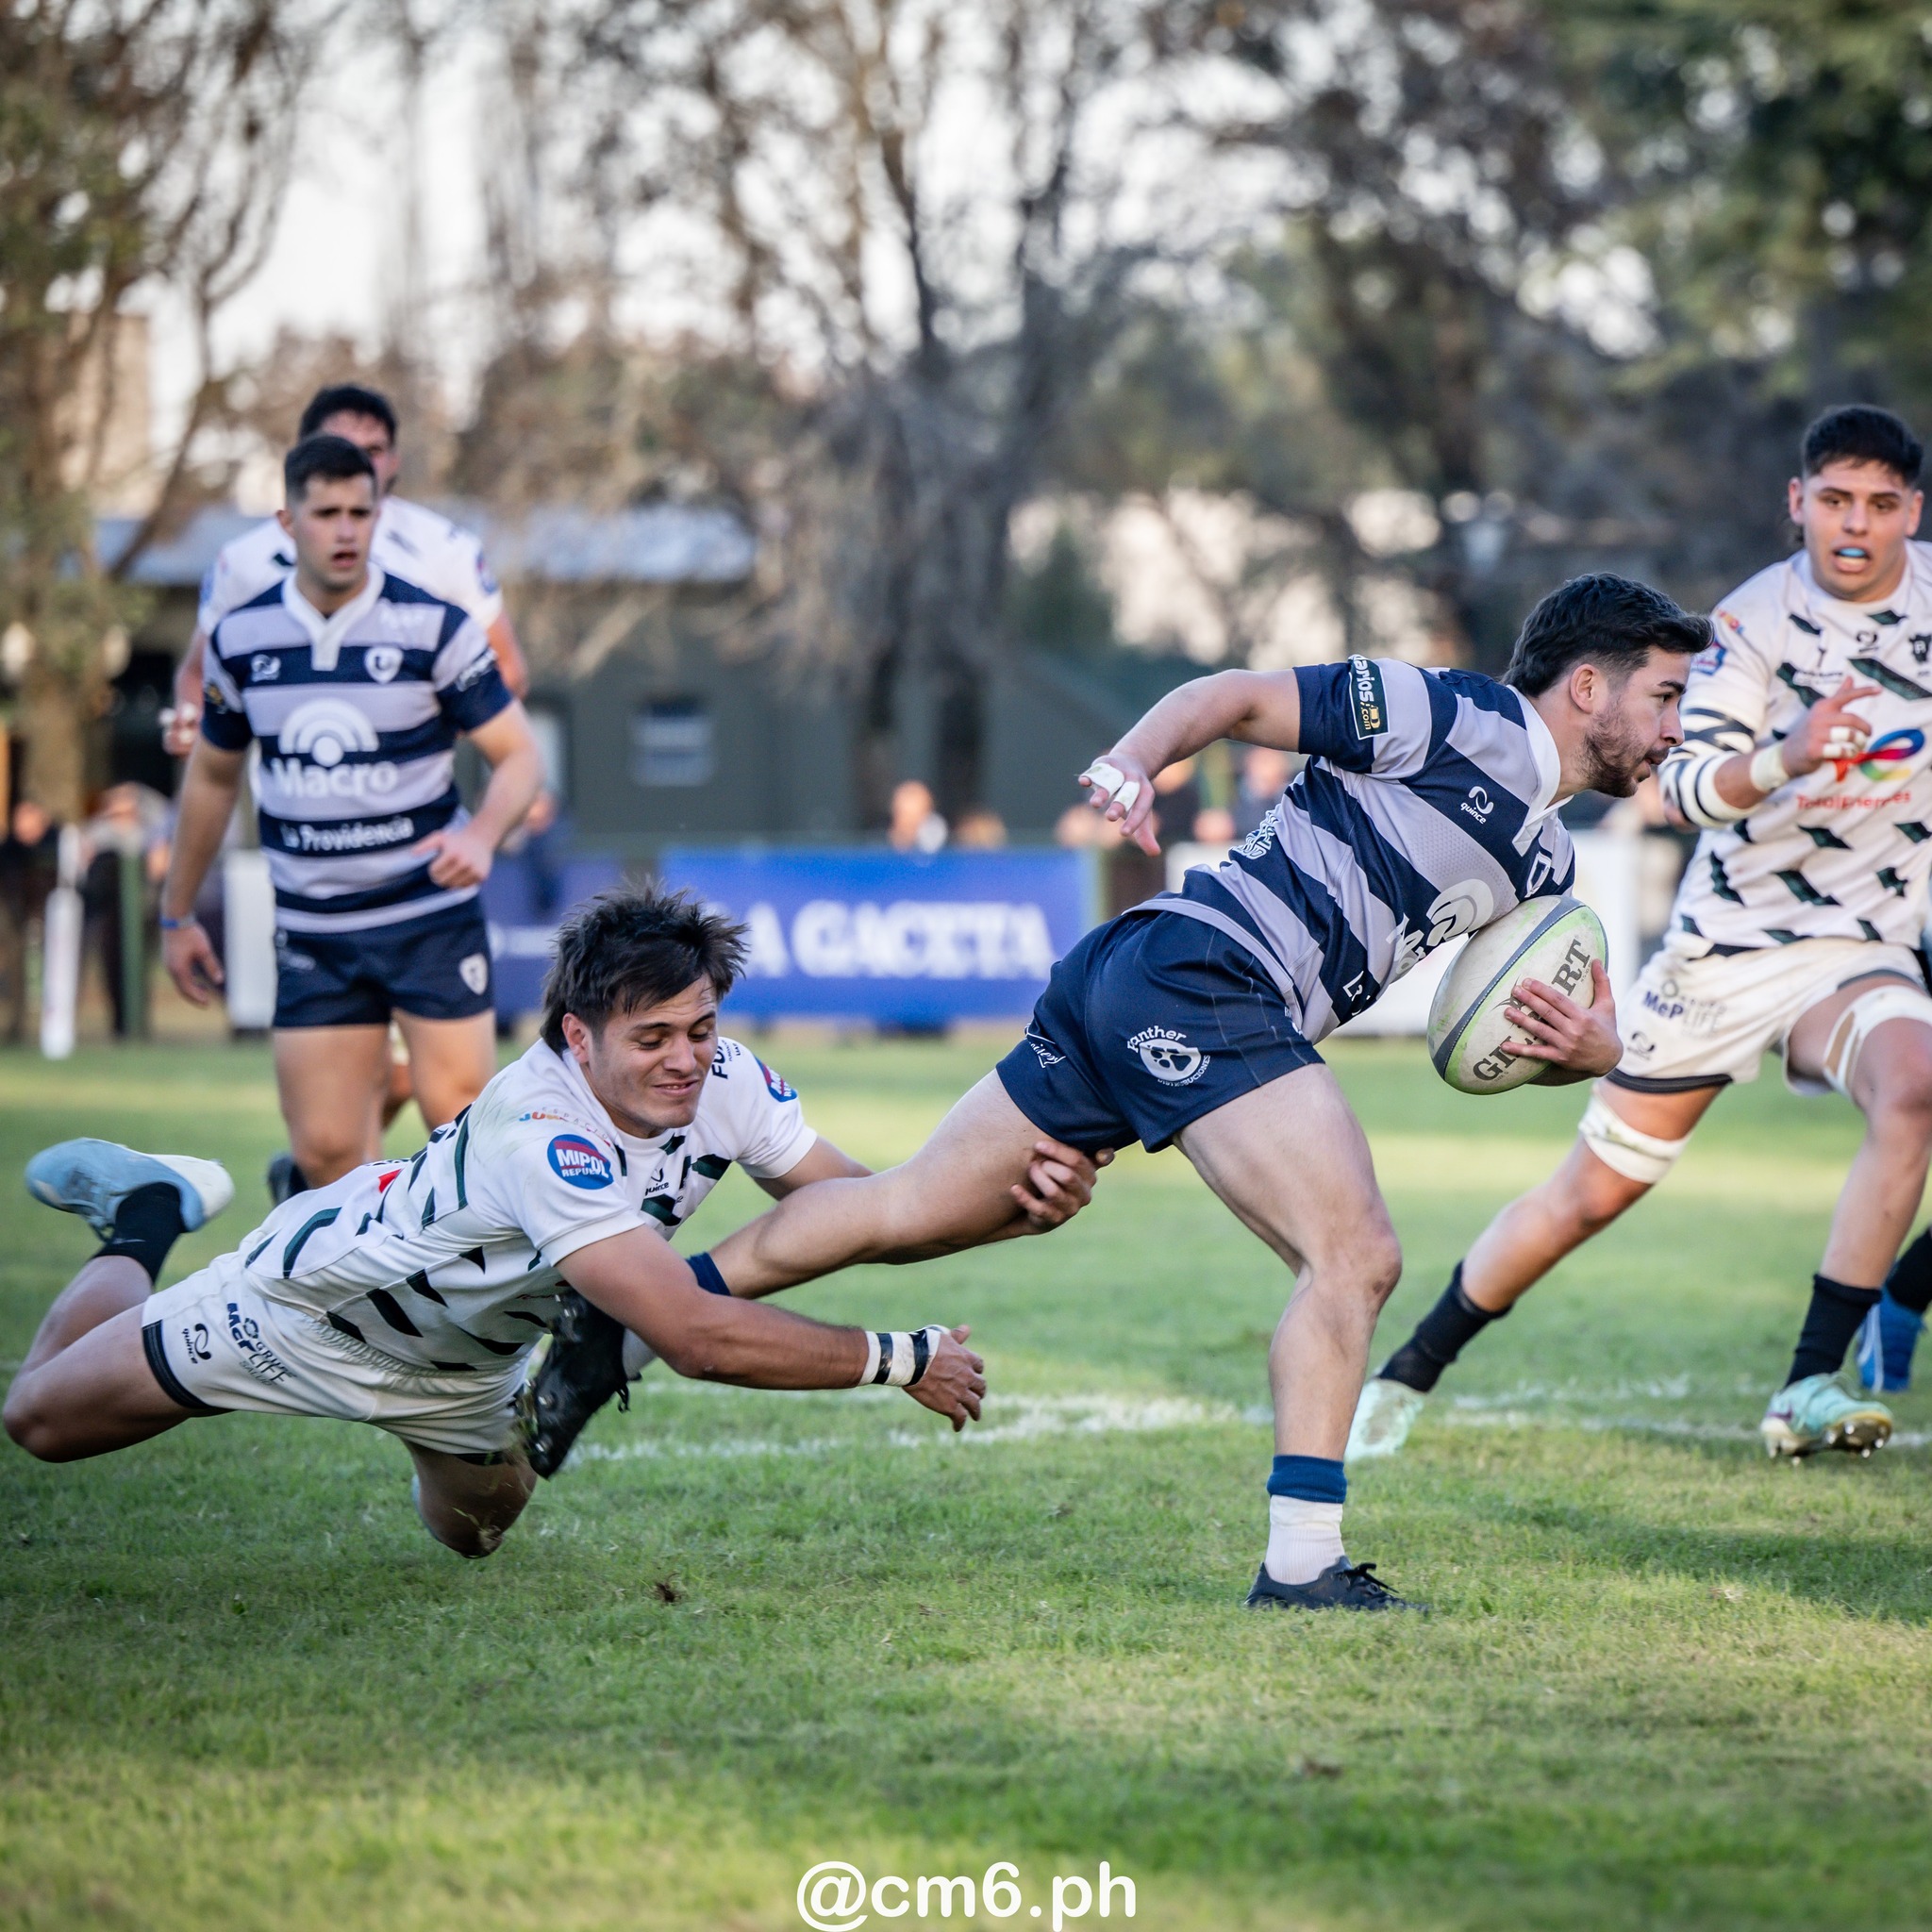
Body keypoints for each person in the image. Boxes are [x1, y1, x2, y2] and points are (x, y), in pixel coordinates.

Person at [529, 573, 1704, 1610]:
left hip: (1149, 972)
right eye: (1662, 697)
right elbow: (1235, 695)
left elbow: (1492, 1038)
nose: (1672, 730)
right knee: (1354, 1256)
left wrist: (1588, 1049)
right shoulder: (1452, 714)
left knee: (907, 1209)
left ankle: (620, 1330)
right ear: (1585, 685)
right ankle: (1302, 1564)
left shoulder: (1545, 864)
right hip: (1208, 973)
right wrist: (1137, 759)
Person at [3, 891, 997, 1557]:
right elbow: (697, 1339)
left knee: (473, 1535)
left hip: (470, 1375)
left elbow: (864, 1206)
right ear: (578, 1037)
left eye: (699, 1029)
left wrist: (1013, 1194)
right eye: (651, 1037)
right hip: (312, 1314)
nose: (686, 1059)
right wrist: (897, 1357)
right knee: (38, 1420)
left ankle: (599, 1326)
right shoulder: (542, 1131)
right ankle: (146, 1216)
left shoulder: (726, 1077)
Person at [1349, 405, 1932, 1464]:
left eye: (1881, 503)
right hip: (1727, 948)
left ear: (1913, 511)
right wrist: (1789, 755)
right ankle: (1410, 1368)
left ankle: (1809, 1380)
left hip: (1864, 948)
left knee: (1914, 1088)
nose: (1856, 523)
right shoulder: (1751, 624)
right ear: (1797, 502)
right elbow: (1689, 788)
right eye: (1835, 499)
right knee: (1588, 1197)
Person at [165, 383, 534, 1193]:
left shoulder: (434, 622)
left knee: (464, 1127)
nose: (344, 531)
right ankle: (355, 1264)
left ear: (380, 509)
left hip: (425, 913)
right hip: (314, 924)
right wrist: (176, 912)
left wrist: (482, 834)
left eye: (359, 514)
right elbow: (213, 779)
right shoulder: (242, 636)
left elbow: (520, 754)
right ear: (287, 522)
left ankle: (485, 1271)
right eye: (326, 514)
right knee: (328, 1154)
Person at [165, 382, 529, 755]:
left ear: (394, 460)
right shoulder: (244, 560)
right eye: (340, 446)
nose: (356, 461)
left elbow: (507, 671)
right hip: (289, 783)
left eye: (374, 451)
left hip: (409, 787)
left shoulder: (445, 549)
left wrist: (415, 739)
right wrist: (195, 726)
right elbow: (199, 676)